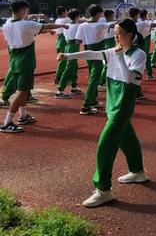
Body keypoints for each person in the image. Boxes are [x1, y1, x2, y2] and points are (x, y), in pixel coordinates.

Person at [58, 18, 149, 207]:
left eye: (120, 33)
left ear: (130, 35)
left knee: (105, 145)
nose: (116, 36)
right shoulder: (113, 51)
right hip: (112, 99)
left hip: (123, 101)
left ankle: (103, 189)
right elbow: (93, 54)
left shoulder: (138, 54)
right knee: (127, 138)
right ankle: (138, 172)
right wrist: (69, 56)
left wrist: (119, 57)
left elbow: (130, 78)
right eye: (114, 32)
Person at [0, 0, 68, 133]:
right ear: (23, 10)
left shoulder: (7, 24)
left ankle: (23, 116)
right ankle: (7, 122)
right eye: (27, 10)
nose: (28, 13)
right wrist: (63, 27)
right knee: (22, 91)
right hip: (25, 60)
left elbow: (34, 29)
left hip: (14, 58)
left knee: (22, 89)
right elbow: (47, 26)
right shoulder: (26, 24)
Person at [76, 4, 114, 115]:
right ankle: (86, 105)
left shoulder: (82, 26)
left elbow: (78, 41)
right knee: (94, 80)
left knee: (93, 77)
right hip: (98, 53)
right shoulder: (100, 25)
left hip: (88, 51)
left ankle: (93, 100)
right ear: (97, 14)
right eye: (100, 13)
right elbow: (112, 24)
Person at [56, 8, 83, 98]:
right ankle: (60, 90)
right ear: (77, 16)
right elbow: (79, 40)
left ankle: (74, 86)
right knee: (70, 67)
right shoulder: (78, 26)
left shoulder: (66, 25)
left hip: (68, 45)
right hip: (73, 46)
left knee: (74, 66)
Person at [99, 9, 116, 90]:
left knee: (106, 63)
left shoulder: (102, 21)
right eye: (112, 16)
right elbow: (115, 24)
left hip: (106, 42)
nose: (114, 17)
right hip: (109, 44)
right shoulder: (109, 23)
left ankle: (103, 80)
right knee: (107, 63)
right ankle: (101, 82)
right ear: (109, 16)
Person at [53, 6, 70, 85]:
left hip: (58, 40)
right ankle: (58, 77)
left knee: (61, 60)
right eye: (66, 11)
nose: (67, 13)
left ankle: (61, 76)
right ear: (63, 12)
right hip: (63, 39)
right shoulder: (66, 19)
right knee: (63, 59)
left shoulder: (57, 20)